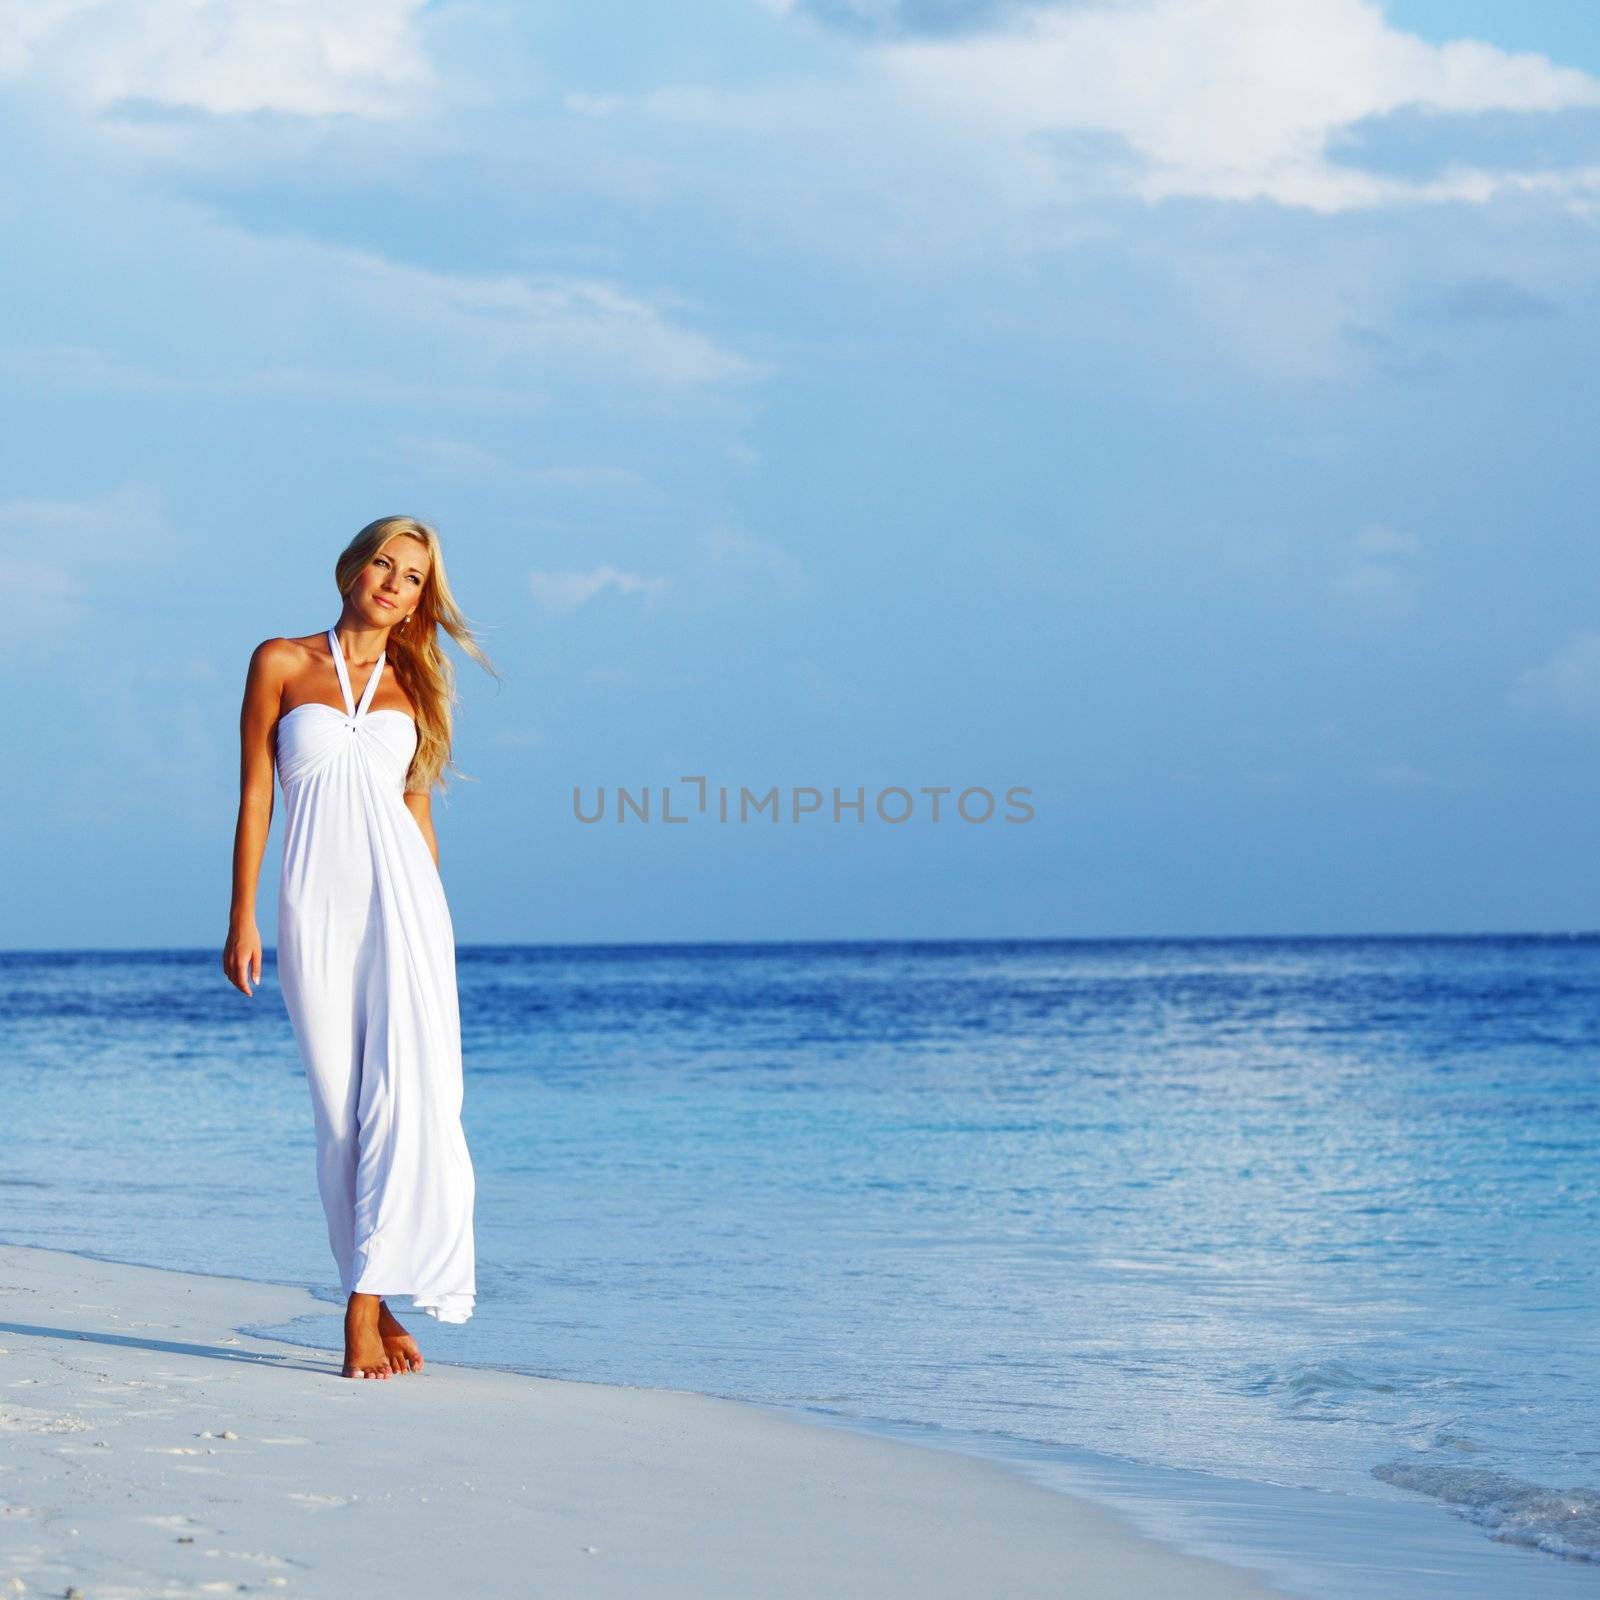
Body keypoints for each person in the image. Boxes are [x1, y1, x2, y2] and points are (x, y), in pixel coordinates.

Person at [222, 516, 498, 1379]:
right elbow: (257, 793)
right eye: (383, 562)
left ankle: (365, 1309)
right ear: (350, 567)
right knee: (341, 1112)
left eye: (412, 576)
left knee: (407, 1102)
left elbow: (416, 816)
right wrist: (242, 915)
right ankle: (375, 1283)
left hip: (405, 908)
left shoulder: (417, 684)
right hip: (314, 904)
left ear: (421, 600)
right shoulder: (280, 660)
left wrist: (438, 930)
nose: (392, 581)